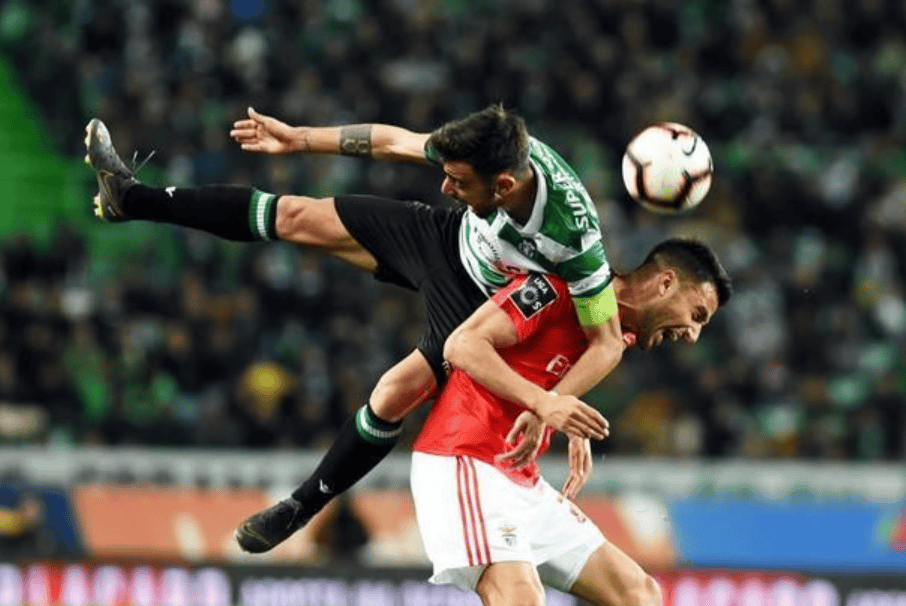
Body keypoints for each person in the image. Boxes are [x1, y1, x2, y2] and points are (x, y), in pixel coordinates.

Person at [85, 104, 619, 553]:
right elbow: (392, 141)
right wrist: (298, 138)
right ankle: (130, 198)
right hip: (447, 240)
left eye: (458, 182)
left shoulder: (573, 236)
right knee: (295, 216)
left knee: (391, 394)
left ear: (504, 185)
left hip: (482, 306)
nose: (444, 185)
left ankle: (302, 505)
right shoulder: (485, 150)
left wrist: (552, 404)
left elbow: (607, 341)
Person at [413, 239, 731, 606]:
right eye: (697, 315)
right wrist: (544, 403)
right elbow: (463, 345)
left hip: (520, 477)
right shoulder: (561, 285)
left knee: (639, 594)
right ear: (665, 283)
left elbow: (549, 376)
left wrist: (566, 416)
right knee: (521, 599)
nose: (692, 336)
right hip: (463, 458)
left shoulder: (616, 336)